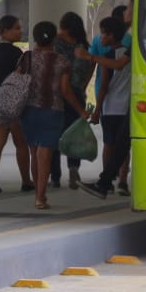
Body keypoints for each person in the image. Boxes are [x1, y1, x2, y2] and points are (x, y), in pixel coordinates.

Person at [19, 20, 86, 210]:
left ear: (35, 37)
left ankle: (37, 193)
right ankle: (41, 197)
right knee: (45, 154)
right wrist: (81, 110)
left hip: (29, 111)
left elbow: (18, 80)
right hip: (52, 111)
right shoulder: (61, 61)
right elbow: (65, 90)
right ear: (54, 38)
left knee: (34, 152)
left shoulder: (27, 58)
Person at [79, 16, 132, 200]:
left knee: (109, 145)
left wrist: (97, 110)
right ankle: (123, 181)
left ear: (111, 35)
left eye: (103, 33)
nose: (101, 37)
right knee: (124, 147)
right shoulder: (131, 53)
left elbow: (103, 87)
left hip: (111, 108)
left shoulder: (107, 58)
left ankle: (106, 182)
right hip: (128, 107)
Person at [0, 14, 32, 194]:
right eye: (17, 28)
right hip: (12, 100)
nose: (20, 32)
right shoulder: (17, 54)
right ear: (5, 31)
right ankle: (26, 181)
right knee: (21, 142)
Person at [50, 11, 95, 190]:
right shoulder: (83, 45)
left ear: (65, 28)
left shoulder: (57, 44)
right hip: (78, 93)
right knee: (74, 134)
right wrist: (83, 87)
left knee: (54, 135)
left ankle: (55, 176)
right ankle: (73, 171)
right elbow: (91, 67)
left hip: (59, 94)